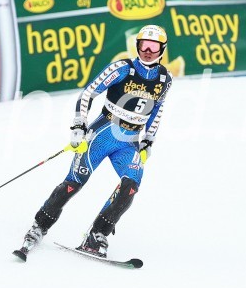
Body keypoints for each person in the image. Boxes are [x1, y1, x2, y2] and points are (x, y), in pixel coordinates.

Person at [14, 24, 173, 260]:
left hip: (130, 142)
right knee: (74, 183)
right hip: (103, 134)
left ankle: (98, 235)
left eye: (153, 46)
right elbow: (88, 92)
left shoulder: (165, 78)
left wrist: (149, 139)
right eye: (143, 45)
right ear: (137, 46)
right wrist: (79, 124)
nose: (147, 51)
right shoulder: (122, 68)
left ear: (162, 49)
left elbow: (157, 109)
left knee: (130, 186)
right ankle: (39, 226)